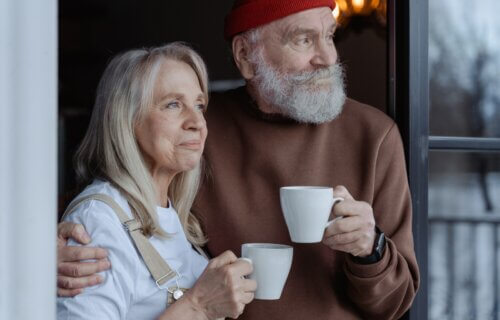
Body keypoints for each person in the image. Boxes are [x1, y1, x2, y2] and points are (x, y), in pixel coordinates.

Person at [57, 1, 420, 319]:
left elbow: (395, 303)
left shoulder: (374, 136)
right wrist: (45, 249)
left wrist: (370, 249)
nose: (328, 57)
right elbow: (111, 200)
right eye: (304, 39)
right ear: (246, 56)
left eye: (329, 36)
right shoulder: (195, 133)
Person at [56, 42, 256, 320]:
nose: (197, 122)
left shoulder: (172, 214)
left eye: (199, 105)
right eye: (173, 104)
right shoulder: (97, 223)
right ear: (126, 119)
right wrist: (198, 306)